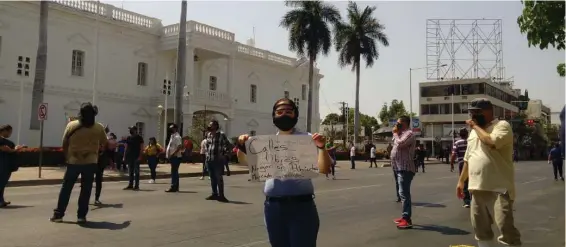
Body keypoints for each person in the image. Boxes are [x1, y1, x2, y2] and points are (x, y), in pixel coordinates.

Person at [236, 98, 331, 247]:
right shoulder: (266, 143)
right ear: (274, 116)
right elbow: (245, 162)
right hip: (273, 208)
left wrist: (321, 147)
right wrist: (242, 146)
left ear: (295, 115)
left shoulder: (308, 139)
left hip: (302, 207)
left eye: (288, 112)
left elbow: (324, 168)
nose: (284, 115)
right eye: (280, 112)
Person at [456, 98, 521, 247]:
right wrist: (461, 181)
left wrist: (475, 127)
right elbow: (468, 158)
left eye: (476, 112)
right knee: (481, 230)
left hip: (499, 189)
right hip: (477, 188)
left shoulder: (502, 126)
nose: (473, 115)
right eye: (471, 112)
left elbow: (491, 141)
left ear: (488, 111)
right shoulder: (473, 132)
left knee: (506, 229)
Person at [50, 103, 107, 223]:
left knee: (66, 189)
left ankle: (59, 214)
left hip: (73, 161)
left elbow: (64, 143)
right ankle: (81, 216)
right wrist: (96, 151)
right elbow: (105, 143)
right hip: (90, 162)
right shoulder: (98, 127)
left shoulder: (72, 125)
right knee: (86, 190)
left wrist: (67, 156)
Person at [391, 115, 417, 229]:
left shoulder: (409, 134)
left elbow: (401, 144)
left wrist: (396, 134)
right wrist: (396, 133)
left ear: (405, 123)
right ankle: (404, 216)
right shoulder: (400, 134)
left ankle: (407, 219)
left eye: (399, 123)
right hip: (398, 167)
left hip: (405, 168)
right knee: (402, 193)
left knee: (404, 193)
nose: (397, 125)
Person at [204, 120, 232, 202]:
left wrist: (224, 155)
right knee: (212, 178)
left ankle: (221, 195)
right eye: (209, 124)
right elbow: (207, 146)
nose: (209, 126)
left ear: (216, 126)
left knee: (219, 178)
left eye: (211, 125)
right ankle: (214, 194)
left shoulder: (221, 135)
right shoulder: (208, 135)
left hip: (218, 160)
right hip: (209, 159)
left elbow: (228, 145)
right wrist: (206, 156)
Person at [0, 125, 22, 208]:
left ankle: (1, 200)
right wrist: (15, 149)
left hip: (6, 165)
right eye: (9, 132)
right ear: (4, 131)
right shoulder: (2, 141)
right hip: (2, 165)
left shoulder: (6, 141)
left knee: (2, 183)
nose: (10, 134)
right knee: (1, 182)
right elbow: (6, 149)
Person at [451, 128, 471, 208]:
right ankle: (475, 200)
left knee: (464, 182)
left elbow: (453, 154)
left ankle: (467, 202)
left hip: (462, 164)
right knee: (473, 181)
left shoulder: (457, 143)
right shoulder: (470, 141)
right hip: (472, 163)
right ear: (467, 134)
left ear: (460, 134)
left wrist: (451, 163)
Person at [123, 126, 144, 191]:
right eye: (130, 129)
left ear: (135, 130)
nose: (130, 131)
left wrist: (140, 156)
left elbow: (141, 147)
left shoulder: (139, 138)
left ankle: (136, 186)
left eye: (131, 129)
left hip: (136, 157)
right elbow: (126, 147)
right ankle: (130, 185)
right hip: (129, 156)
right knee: (130, 172)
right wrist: (124, 156)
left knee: (136, 172)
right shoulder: (128, 138)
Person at [166, 124, 183, 192]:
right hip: (173, 156)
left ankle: (173, 186)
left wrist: (173, 154)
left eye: (171, 128)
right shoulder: (172, 136)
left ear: (175, 128)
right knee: (174, 172)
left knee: (174, 172)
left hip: (176, 157)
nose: (170, 129)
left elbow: (179, 146)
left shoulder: (177, 137)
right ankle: (175, 186)